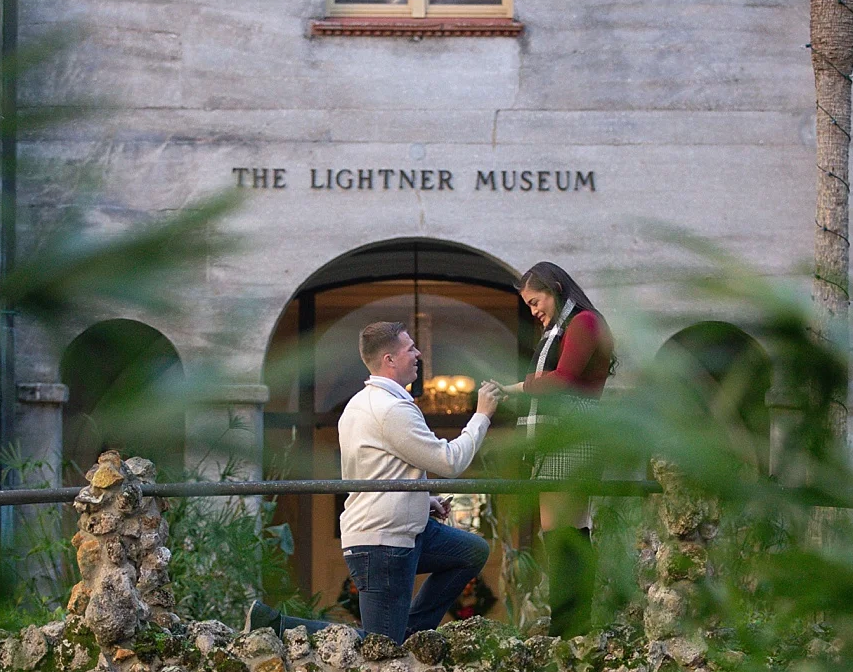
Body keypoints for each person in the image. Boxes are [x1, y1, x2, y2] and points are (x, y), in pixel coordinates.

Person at [246, 321, 503, 643]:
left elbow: (378, 471)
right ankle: (274, 624)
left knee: (471, 551)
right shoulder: (390, 409)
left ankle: (411, 633)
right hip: (382, 543)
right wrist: (482, 416)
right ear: (389, 360)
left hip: (405, 532)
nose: (419, 353)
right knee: (380, 645)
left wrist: (423, 500)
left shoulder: (360, 404)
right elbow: (449, 461)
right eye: (410, 348)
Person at [491, 261, 615, 638]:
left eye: (536, 301)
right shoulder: (566, 327)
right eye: (528, 305)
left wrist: (519, 386)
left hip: (573, 432)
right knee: (564, 529)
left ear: (557, 287)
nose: (534, 311)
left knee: (562, 530)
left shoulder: (584, 322)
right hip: (566, 432)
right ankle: (572, 622)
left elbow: (561, 382)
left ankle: (571, 623)